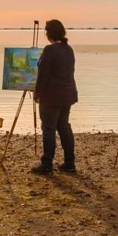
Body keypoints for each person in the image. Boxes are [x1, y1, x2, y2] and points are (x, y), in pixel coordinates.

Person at [31, 19, 78, 175]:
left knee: (48, 129)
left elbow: (42, 76)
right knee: (64, 126)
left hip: (51, 97)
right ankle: (69, 162)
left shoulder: (50, 50)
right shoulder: (68, 49)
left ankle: (46, 164)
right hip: (67, 94)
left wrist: (37, 95)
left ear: (48, 34)